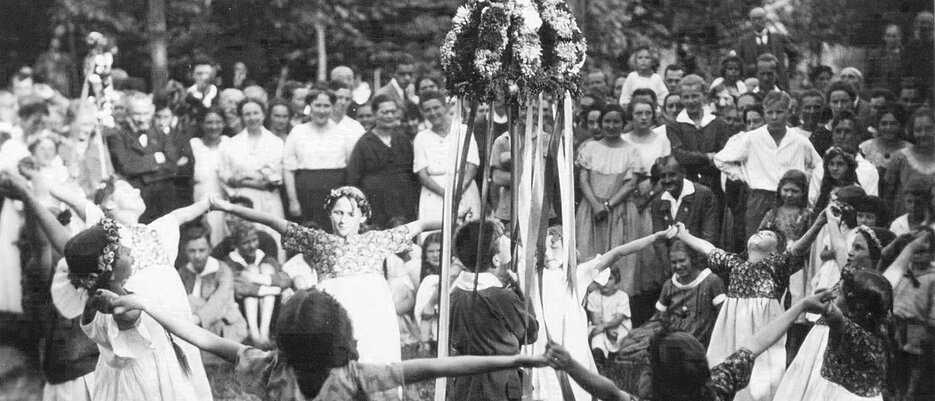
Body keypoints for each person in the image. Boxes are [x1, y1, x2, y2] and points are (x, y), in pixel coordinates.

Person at [98, 287, 549, 401]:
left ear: (283, 339)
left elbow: (203, 336)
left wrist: (147, 304)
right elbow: (442, 366)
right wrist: (518, 356)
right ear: (341, 335)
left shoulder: (269, 369)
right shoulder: (358, 376)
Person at [9, 171, 215, 400]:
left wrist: (27, 195)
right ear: (111, 267)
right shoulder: (119, 300)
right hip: (144, 370)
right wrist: (30, 194)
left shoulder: (112, 277)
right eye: (124, 251)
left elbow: (70, 248)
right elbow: (65, 244)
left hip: (161, 345)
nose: (129, 251)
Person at [209, 187, 442, 375]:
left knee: (377, 361)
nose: (343, 220)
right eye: (337, 213)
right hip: (335, 311)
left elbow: (419, 225)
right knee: (335, 365)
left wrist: (452, 219)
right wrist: (228, 207)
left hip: (373, 311)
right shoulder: (318, 240)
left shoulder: (377, 239)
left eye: (350, 214)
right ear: (329, 214)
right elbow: (272, 221)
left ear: (363, 217)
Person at [544, 291, 833, 401]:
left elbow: (608, 391)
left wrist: (569, 365)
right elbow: (757, 342)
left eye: (649, 365)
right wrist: (802, 306)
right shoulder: (716, 385)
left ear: (657, 379)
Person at [674, 211, 825, 401]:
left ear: (775, 251)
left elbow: (798, 249)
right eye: (759, 231)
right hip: (732, 325)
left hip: (762, 326)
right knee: (724, 360)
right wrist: (684, 235)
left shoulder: (776, 266)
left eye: (769, 235)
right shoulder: (734, 263)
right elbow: (708, 249)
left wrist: (818, 224)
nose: (761, 233)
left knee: (761, 377)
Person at [531, 225, 677, 399]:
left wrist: (653, 237)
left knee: (574, 387)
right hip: (542, 341)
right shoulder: (534, 276)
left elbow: (618, 252)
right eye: (543, 249)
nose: (547, 254)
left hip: (570, 341)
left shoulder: (578, 274)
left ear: (567, 247)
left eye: (554, 247)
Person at [775, 210, 894, 400]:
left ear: (875, 255)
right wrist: (830, 218)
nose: (851, 252)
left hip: (840, 344)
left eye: (858, 248)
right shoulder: (849, 271)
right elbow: (839, 246)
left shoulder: (874, 287)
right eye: (852, 246)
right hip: (819, 336)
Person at [448, 219, 539, 401]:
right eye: (502, 239)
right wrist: (523, 295)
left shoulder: (455, 293)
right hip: (499, 385)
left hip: (464, 381)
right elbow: (530, 333)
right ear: (496, 260)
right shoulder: (502, 297)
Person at [715, 91, 822, 240]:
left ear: (789, 112)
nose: (774, 117)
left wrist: (807, 183)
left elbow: (818, 166)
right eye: (770, 112)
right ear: (764, 114)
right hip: (759, 198)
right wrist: (741, 176)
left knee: (789, 245)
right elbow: (721, 159)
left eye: (779, 112)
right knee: (757, 243)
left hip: (790, 199)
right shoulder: (752, 138)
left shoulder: (799, 141)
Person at [575, 105, 638, 291]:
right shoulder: (590, 148)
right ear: (601, 123)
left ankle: (617, 303)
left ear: (623, 124)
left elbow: (631, 183)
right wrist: (596, 205)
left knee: (618, 257)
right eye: (607, 121)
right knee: (588, 254)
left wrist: (608, 205)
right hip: (591, 209)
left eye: (616, 121)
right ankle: (588, 301)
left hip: (618, 210)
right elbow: (583, 179)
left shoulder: (631, 151)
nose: (611, 126)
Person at [218, 97, 285, 252]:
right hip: (242, 201)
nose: (252, 118)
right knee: (243, 241)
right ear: (241, 116)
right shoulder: (231, 144)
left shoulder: (275, 142)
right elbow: (226, 175)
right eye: (247, 114)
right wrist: (252, 179)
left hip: (269, 200)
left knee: (271, 239)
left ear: (263, 115)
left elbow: (272, 179)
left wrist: (242, 179)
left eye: (256, 113)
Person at [283, 88, 355, 229]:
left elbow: (351, 168)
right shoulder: (298, 132)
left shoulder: (343, 133)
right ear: (310, 106)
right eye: (318, 105)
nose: (322, 111)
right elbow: (288, 169)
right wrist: (293, 201)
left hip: (336, 193)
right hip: (306, 194)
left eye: (326, 106)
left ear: (333, 107)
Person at [346, 94, 420, 228]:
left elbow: (413, 174)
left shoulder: (402, 139)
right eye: (384, 112)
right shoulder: (364, 143)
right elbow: (353, 178)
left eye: (393, 112)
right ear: (375, 114)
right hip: (377, 203)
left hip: (403, 203)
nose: (389, 116)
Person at [106, 91, 178, 223]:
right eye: (137, 114)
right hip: (136, 204)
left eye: (146, 114)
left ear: (152, 111)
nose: (142, 119)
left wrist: (141, 170)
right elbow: (126, 167)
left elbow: (172, 165)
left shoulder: (161, 134)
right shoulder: (118, 136)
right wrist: (156, 159)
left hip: (163, 201)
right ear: (127, 112)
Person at [412, 90, 481, 225]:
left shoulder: (463, 131)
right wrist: (446, 194)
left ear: (445, 107)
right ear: (422, 112)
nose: (433, 113)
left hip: (463, 191)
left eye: (436, 107)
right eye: (427, 110)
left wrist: (457, 191)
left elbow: (472, 166)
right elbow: (422, 175)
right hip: (435, 194)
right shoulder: (421, 137)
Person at [667, 75, 733, 208]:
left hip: (715, 187)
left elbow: (723, 157)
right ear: (680, 98)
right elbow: (680, 156)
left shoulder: (719, 123)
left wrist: (693, 160)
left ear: (704, 95)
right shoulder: (675, 126)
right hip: (686, 187)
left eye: (695, 96)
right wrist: (707, 156)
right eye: (686, 97)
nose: (691, 101)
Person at [885, 228, 935, 399]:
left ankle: (911, 393)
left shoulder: (932, 277)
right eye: (915, 251)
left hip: (919, 326)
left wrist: (931, 324)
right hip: (897, 322)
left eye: (923, 252)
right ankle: (896, 392)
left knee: (916, 363)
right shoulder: (905, 271)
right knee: (895, 360)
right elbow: (894, 293)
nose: (917, 256)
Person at [178, 224, 247, 343]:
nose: (197, 256)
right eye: (192, 251)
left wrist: (197, 318)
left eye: (202, 250)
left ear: (210, 248)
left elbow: (219, 302)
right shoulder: (183, 272)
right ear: (185, 251)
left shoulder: (222, 270)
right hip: (195, 327)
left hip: (226, 327)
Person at [224, 222, 290, 346]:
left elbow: (285, 279)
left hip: (267, 311)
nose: (252, 246)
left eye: (254, 240)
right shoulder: (231, 261)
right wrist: (275, 289)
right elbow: (240, 289)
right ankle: (254, 335)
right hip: (241, 311)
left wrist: (255, 278)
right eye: (246, 242)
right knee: (250, 269)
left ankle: (264, 333)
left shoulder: (264, 257)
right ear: (236, 245)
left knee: (267, 268)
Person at [884, 108, 935, 215]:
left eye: (929, 129)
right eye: (918, 130)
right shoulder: (901, 157)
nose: (923, 134)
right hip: (905, 219)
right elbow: (888, 195)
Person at [189, 106, 229, 245]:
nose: (214, 126)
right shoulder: (194, 145)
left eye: (218, 122)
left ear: (224, 123)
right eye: (209, 122)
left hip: (224, 201)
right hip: (199, 201)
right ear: (201, 124)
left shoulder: (229, 143)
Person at [736, 7, 800, 89]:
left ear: (765, 19)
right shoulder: (744, 40)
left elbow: (794, 53)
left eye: (759, 18)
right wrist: (747, 71)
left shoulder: (778, 38)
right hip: (753, 83)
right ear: (751, 21)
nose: (757, 22)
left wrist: (789, 72)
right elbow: (739, 61)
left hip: (778, 82)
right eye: (754, 19)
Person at [860, 103, 910, 172]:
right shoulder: (866, 148)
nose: (888, 127)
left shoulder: (910, 150)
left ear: (901, 125)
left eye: (893, 123)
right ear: (878, 125)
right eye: (884, 123)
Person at [811, 147, 861, 212]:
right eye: (831, 164)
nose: (835, 168)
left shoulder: (856, 191)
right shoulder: (825, 189)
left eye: (840, 164)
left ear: (849, 167)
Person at [866, 23, 905, 94]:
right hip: (879, 92)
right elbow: (868, 77)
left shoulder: (905, 54)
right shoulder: (875, 55)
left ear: (900, 37)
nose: (891, 39)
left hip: (899, 93)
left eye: (894, 36)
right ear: (884, 37)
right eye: (888, 36)